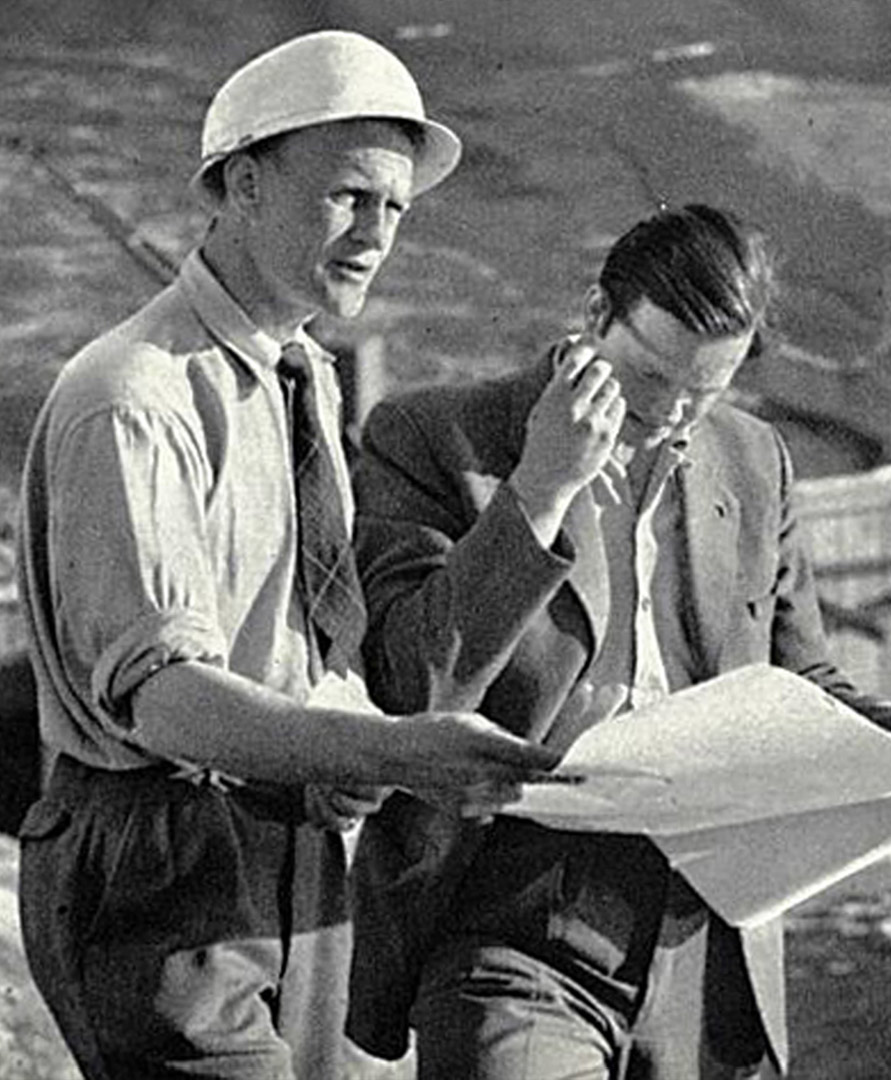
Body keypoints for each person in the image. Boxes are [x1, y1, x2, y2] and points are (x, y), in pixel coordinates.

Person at [344, 204, 891, 1079]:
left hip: (709, 936)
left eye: (703, 395)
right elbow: (410, 686)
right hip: (513, 919)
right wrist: (539, 493)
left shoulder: (753, 460)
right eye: (647, 380)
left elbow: (804, 682)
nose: (667, 417)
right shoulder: (437, 438)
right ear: (596, 317)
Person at [14, 31, 563, 1079]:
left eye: (395, 209)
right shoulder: (133, 398)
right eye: (350, 197)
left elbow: (304, 640)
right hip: (161, 871)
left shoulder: (297, 377)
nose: (376, 234)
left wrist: (353, 733)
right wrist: (389, 754)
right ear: (245, 184)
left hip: (294, 853)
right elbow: (165, 700)